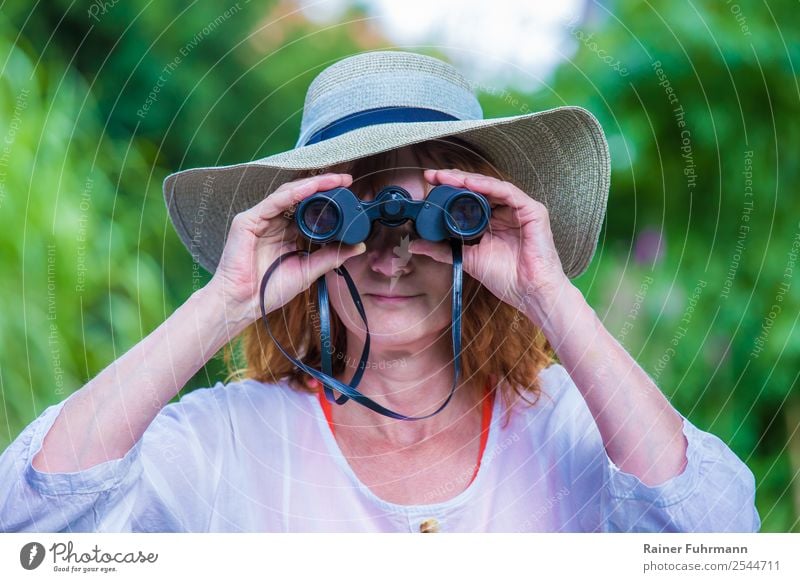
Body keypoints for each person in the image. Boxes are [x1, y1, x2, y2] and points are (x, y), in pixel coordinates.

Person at [0, 51, 759, 533]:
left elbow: (717, 539)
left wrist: (549, 293)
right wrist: (228, 298)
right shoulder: (224, 442)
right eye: (347, 219)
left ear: (481, 220)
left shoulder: (572, 431)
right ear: (304, 232)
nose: (391, 255)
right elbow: (32, 522)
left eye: (440, 216)